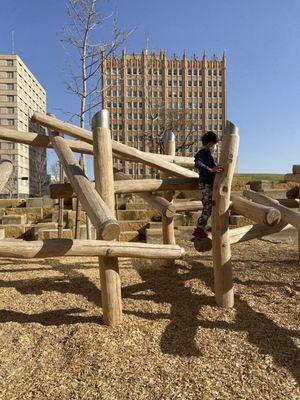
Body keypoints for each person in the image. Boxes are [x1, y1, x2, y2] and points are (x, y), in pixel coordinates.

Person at [193, 131, 224, 239]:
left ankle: (202, 228)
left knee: (210, 206)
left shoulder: (208, 155)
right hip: (206, 185)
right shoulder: (202, 154)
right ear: (210, 144)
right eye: (215, 145)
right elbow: (198, 163)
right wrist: (210, 169)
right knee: (208, 207)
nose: (215, 148)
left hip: (209, 184)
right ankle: (199, 229)